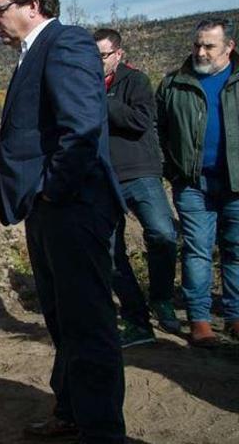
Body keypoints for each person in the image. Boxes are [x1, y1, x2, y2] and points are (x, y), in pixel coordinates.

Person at [0, 0, 125, 443]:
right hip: (50, 212)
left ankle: (101, 432)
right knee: (64, 323)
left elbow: (82, 130)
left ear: (33, 4)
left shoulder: (65, 43)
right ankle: (71, 411)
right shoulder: (31, 54)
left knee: (87, 325)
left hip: (73, 207)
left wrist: (50, 190)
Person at [93, 28, 180, 345]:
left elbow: (140, 121)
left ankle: (161, 298)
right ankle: (136, 321)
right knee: (112, 253)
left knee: (162, 233)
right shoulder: (84, 86)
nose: (96, 62)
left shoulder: (136, 81)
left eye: (101, 56)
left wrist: (101, 101)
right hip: (103, 179)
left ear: (119, 54)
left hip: (140, 173)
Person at [156, 18, 239, 348]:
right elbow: (157, 129)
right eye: (197, 45)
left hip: (236, 183)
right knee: (197, 250)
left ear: (229, 47)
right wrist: (171, 168)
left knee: (235, 251)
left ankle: (234, 316)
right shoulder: (174, 84)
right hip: (192, 183)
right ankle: (200, 320)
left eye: (209, 46)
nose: (201, 51)